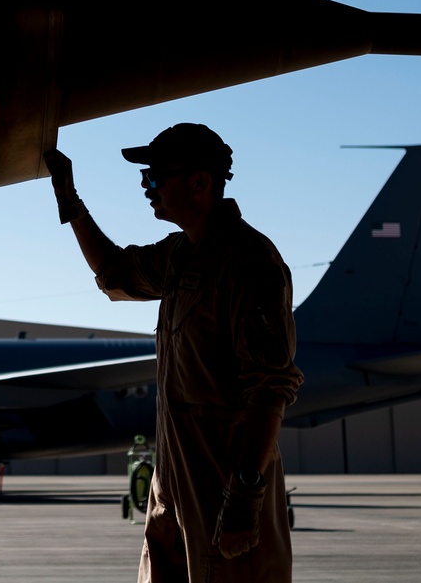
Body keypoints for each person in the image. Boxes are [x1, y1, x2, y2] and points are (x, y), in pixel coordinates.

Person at [44, 123, 304, 582]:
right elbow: (114, 271)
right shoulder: (181, 254)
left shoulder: (251, 262)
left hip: (223, 487)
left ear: (200, 183)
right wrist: (70, 200)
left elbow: (270, 387)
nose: (148, 189)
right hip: (173, 484)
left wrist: (245, 495)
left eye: (155, 178)